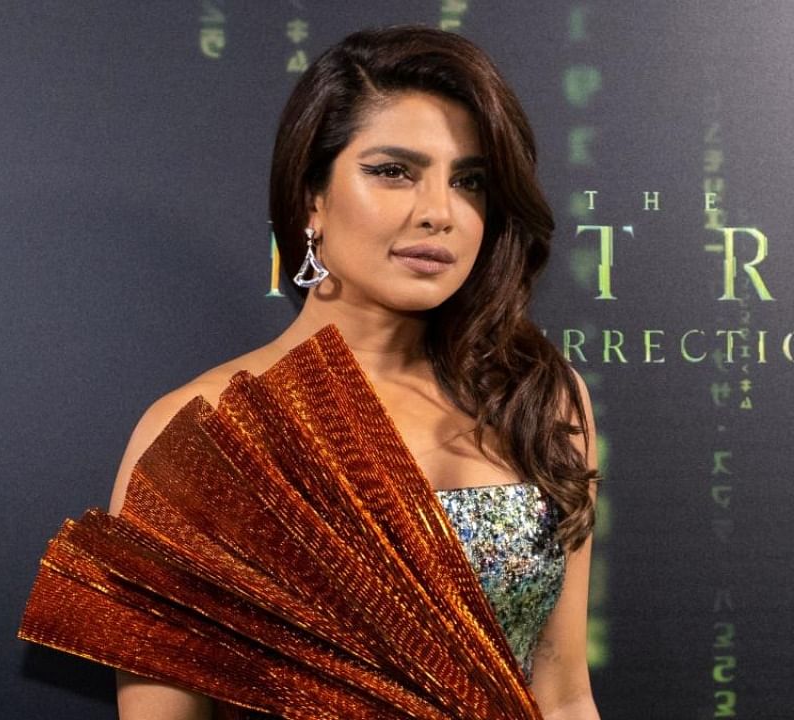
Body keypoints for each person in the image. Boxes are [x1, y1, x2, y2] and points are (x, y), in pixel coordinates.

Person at [105, 25, 601, 720]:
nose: (439, 212)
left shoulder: (538, 396)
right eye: (393, 170)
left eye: (470, 181)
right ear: (312, 194)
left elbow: (563, 689)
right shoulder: (204, 431)